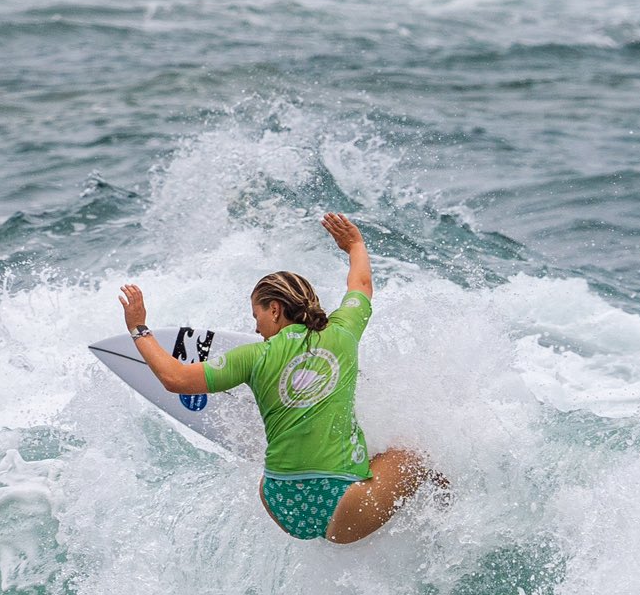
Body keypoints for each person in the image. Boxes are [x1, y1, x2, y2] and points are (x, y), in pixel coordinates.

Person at [118, 212, 438, 544]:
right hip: (343, 503)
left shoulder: (254, 356)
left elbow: (176, 379)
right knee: (416, 455)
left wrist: (138, 327)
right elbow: (361, 285)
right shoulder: (343, 332)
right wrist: (354, 244)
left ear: (274, 309)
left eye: (256, 316)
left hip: (280, 502)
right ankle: (445, 510)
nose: (255, 328)